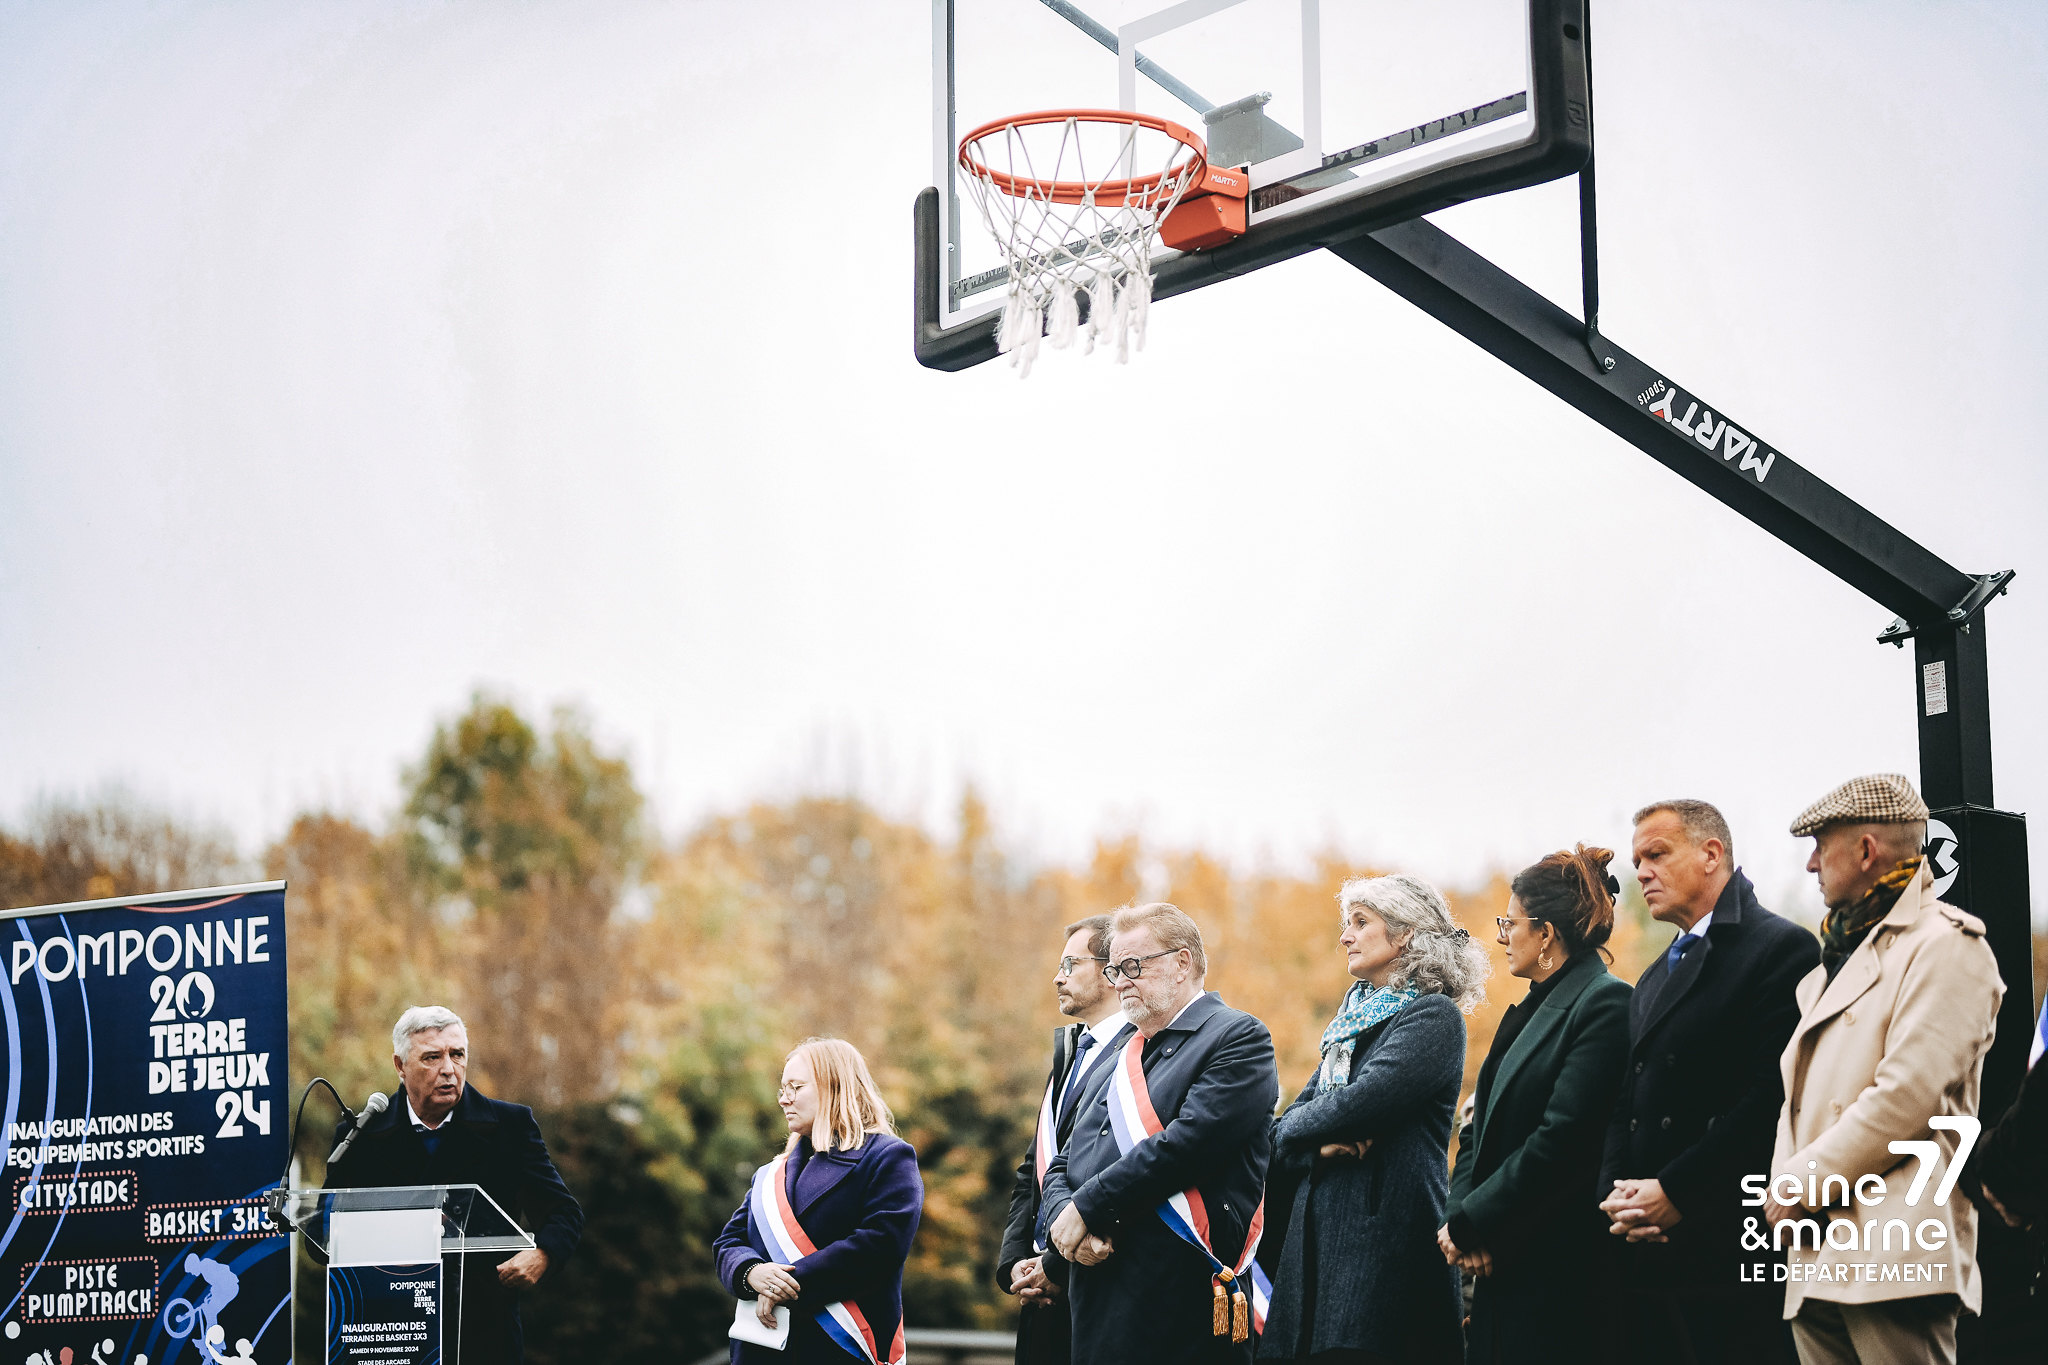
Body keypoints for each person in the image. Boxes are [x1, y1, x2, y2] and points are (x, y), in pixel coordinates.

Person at [1765, 774, 2003, 1365]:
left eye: (1821, 845)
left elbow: (1907, 1098)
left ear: (1866, 851)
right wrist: (1784, 1193)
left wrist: (1798, 1185)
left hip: (1896, 1253)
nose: (1811, 864)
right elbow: (1796, 1099)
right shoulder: (1831, 964)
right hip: (1819, 1249)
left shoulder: (1949, 946)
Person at [1599, 800, 1818, 1364]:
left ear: (1711, 854)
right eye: (1637, 860)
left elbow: (1770, 1098)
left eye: (1657, 854)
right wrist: (1619, 1198)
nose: (1641, 872)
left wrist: (1677, 1192)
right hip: (1646, 1249)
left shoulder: (1780, 949)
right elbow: (1626, 1101)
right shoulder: (1651, 977)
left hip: (1727, 1248)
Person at [1262, 874, 1489, 1365]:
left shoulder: (1432, 1018)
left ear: (1405, 933)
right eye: (1347, 923)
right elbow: (1278, 1135)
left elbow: (1359, 1103)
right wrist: (1309, 1143)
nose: (1345, 935)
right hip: (1314, 1254)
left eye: (1361, 922)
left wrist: (1294, 1132)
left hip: (1382, 1253)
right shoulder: (1344, 1029)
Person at [1040, 902, 1278, 1365]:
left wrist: (1088, 1208)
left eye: (1133, 966)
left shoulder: (1238, 1036)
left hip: (1178, 1298)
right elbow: (1064, 1161)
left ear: (1182, 963)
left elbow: (1187, 1145)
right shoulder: (1118, 1052)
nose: (1121, 981)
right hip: (1097, 1291)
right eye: (1114, 969)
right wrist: (1064, 1222)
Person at [1441, 846, 1634, 1364]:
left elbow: (1562, 1138)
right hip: (1498, 1264)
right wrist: (1460, 1216)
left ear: (1546, 933)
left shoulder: (1604, 1004)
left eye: (1511, 923)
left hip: (1556, 1270)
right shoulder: (1526, 1011)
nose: (1502, 937)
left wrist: (1473, 1223)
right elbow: (1476, 1130)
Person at [324, 1006, 584, 1365]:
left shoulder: (510, 1127)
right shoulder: (361, 1136)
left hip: (482, 1335)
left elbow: (563, 1212)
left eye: (457, 1054)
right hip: (390, 1334)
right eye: (432, 1057)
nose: (448, 1069)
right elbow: (325, 1231)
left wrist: (543, 1254)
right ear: (400, 1066)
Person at [715, 1037, 924, 1365]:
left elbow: (881, 1244)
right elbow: (728, 1242)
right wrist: (750, 1272)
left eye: (795, 1087)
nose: (784, 1100)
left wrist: (783, 1283)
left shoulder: (888, 1158)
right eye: (782, 1089)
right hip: (762, 1352)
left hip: (838, 1350)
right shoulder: (769, 1174)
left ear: (834, 1086)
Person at [996, 914, 1131, 1365]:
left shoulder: (1140, 1056)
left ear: (1113, 971)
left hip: (1093, 1286)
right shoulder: (1072, 1057)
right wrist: (1016, 1260)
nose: (1058, 977)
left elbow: (1113, 1175)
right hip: (1038, 1288)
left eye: (1071, 964)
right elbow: (1031, 1171)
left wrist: (1056, 1266)